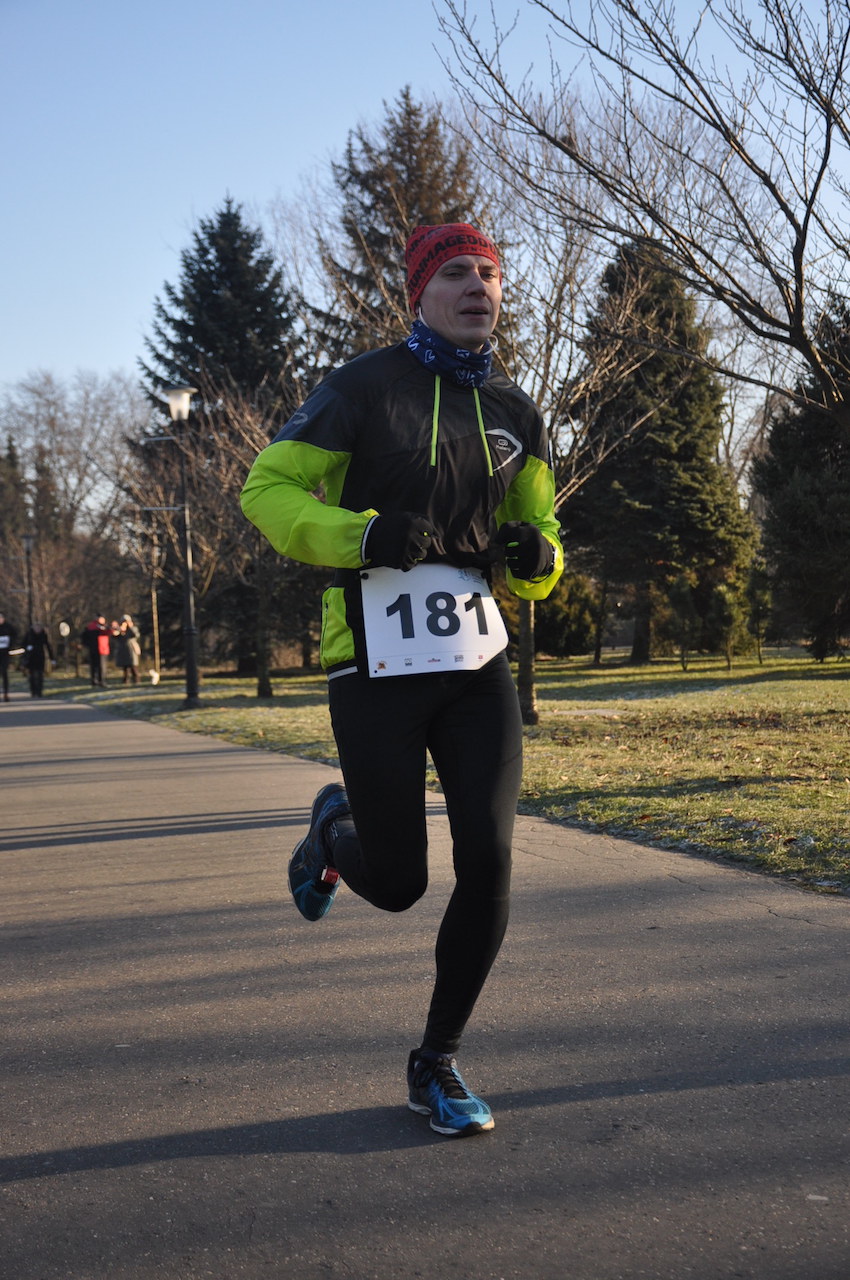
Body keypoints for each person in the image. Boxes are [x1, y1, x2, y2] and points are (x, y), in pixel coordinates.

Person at [241, 222, 563, 1138]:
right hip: (374, 660)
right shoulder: (362, 387)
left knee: (489, 859)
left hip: (475, 662)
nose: (477, 287)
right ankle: (332, 830)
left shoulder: (515, 408)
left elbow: (543, 537)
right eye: (455, 272)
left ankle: (437, 1062)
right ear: (419, 291)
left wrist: (538, 561)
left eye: (490, 273)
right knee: (397, 883)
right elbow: (267, 490)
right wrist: (362, 535)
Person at [23, 622, 54, 697]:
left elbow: (47, 646)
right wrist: (27, 648)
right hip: (31, 657)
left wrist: (52, 658)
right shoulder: (29, 635)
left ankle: (39, 691)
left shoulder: (43, 635)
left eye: (39, 628)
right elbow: (23, 644)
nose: (37, 629)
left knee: (40, 675)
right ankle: (33, 691)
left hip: (40, 657)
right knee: (32, 676)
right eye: (36, 628)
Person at [80, 615, 112, 686]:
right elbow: (108, 632)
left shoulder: (90, 626)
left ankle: (94, 680)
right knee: (101, 666)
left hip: (93, 649)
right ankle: (101, 681)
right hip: (101, 649)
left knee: (94, 666)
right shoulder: (100, 627)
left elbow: (84, 637)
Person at [113, 615, 141, 684]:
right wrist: (118, 630)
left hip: (132, 649)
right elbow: (115, 637)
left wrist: (130, 627)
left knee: (133, 666)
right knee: (125, 667)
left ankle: (136, 680)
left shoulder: (133, 628)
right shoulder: (120, 629)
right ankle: (126, 681)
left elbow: (136, 635)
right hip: (123, 650)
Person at [0, 612, 17, 701]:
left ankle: (6, 693)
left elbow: (15, 635)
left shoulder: (8, 627)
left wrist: (11, 645)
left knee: (4, 672)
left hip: (5, 653)